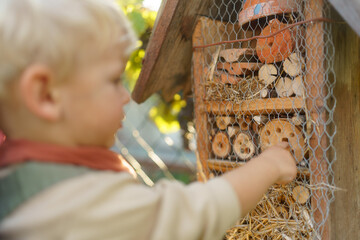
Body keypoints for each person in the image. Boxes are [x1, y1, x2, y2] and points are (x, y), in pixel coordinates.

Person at [0, 0, 297, 239]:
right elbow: (194, 213)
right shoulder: (74, 205)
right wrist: (269, 165)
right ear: (45, 95)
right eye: (113, 80)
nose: (125, 95)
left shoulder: (20, 184)